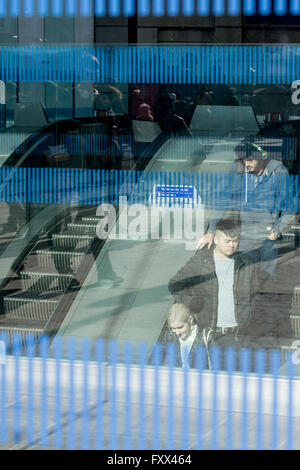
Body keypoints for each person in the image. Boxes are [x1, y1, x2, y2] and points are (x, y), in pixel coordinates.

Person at [197, 138, 295, 278]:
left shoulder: (278, 172)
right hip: (242, 235)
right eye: (244, 159)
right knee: (240, 276)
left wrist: (275, 233)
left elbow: (289, 208)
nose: (247, 163)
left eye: (250, 159)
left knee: (265, 278)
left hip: (266, 236)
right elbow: (223, 200)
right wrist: (211, 231)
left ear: (262, 157)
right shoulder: (238, 169)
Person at [168, 219, 258, 368]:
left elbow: (256, 294)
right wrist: (192, 302)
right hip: (210, 334)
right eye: (227, 241)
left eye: (235, 241)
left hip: (237, 335)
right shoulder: (202, 261)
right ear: (216, 239)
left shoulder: (245, 263)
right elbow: (175, 284)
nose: (232, 245)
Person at [158, 303, 204, 369]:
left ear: (190, 320)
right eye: (173, 328)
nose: (177, 333)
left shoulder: (206, 338)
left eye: (180, 327)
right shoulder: (168, 336)